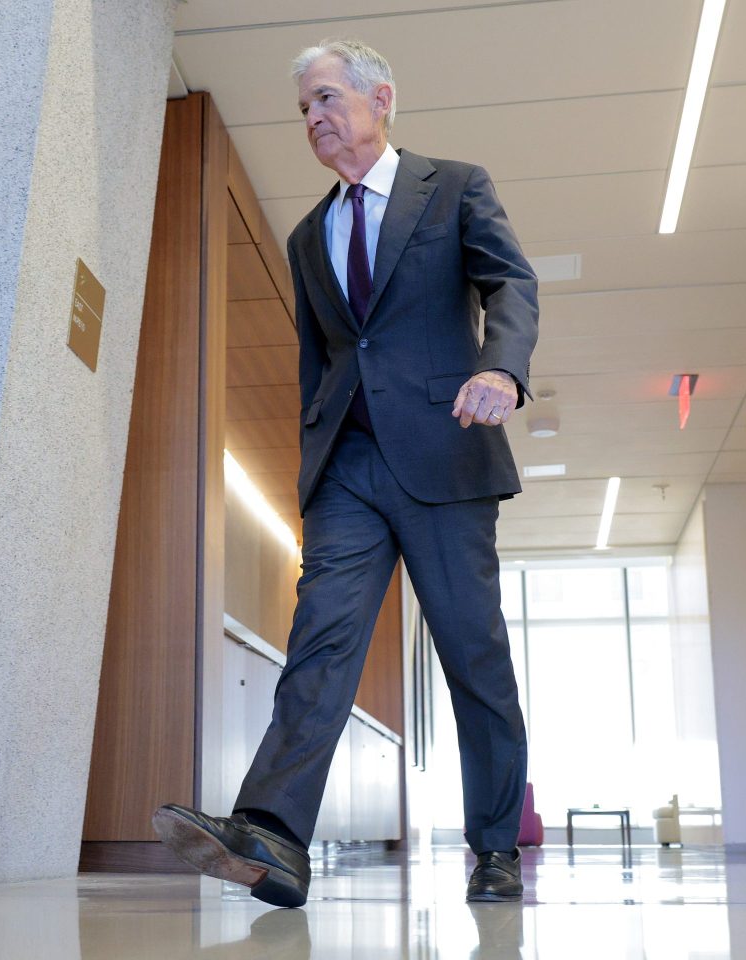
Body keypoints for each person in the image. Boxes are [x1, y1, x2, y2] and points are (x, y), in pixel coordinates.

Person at [153, 38, 537, 909]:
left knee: (472, 657)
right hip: (350, 471)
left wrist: (502, 369)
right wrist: (312, 467)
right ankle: (274, 837)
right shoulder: (307, 234)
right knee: (320, 643)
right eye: (304, 110)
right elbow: (321, 362)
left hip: (445, 452)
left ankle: (494, 847)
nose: (315, 119)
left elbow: (512, 285)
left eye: (327, 98)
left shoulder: (456, 186)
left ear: (381, 98)